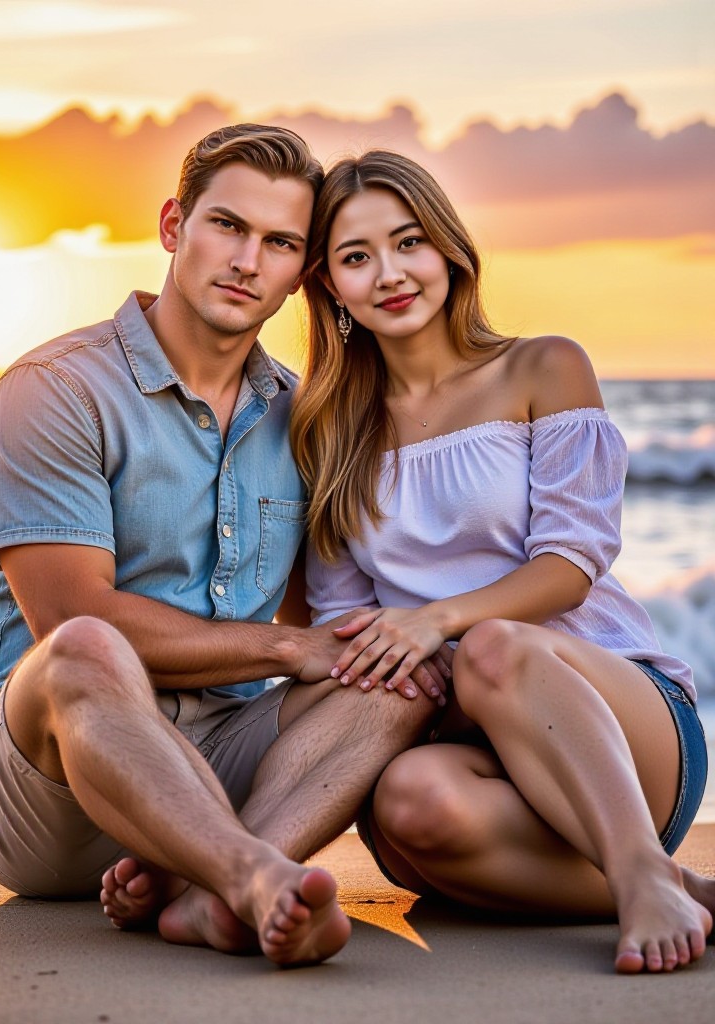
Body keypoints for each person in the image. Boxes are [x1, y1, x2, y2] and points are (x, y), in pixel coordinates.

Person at [0, 127, 444, 968]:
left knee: (397, 673)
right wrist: (289, 647)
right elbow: (72, 617)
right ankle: (252, 879)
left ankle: (211, 891)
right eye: (227, 226)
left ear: (303, 273)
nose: (248, 260)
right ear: (175, 225)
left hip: (226, 767)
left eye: (280, 242)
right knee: (85, 649)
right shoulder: (56, 391)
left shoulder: (304, 416)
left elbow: (323, 617)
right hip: (48, 788)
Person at [291, 149, 714, 974]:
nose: (390, 273)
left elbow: (571, 565)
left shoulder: (543, 366)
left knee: (494, 647)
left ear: (448, 246)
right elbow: (344, 628)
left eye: (408, 241)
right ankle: (675, 889)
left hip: (616, 721)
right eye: (355, 257)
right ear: (330, 288)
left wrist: (438, 620)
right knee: (408, 803)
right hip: (468, 750)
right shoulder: (329, 432)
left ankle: (637, 862)